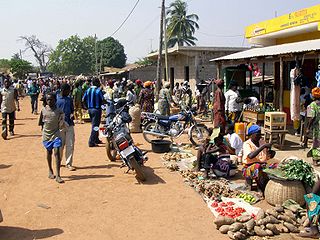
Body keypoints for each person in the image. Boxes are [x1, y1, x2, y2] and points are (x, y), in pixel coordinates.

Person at [38, 92, 65, 183]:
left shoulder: (59, 111)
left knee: (57, 152)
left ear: (55, 100)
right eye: (48, 99)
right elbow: (41, 123)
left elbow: (61, 121)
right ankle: (50, 170)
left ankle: (58, 175)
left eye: (51, 99)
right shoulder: (43, 110)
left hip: (56, 134)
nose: (50, 101)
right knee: (49, 152)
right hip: (46, 134)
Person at [242, 125, 275, 192]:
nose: (259, 136)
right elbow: (251, 156)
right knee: (258, 167)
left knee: (275, 165)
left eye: (260, 134)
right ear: (251, 135)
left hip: (262, 165)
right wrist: (263, 146)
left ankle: (266, 186)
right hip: (249, 167)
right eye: (257, 134)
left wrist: (271, 153)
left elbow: (266, 156)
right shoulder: (247, 144)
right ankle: (260, 187)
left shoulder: (262, 142)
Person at [57, 83, 76, 171]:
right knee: (60, 145)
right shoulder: (56, 99)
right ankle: (58, 161)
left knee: (70, 145)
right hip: (59, 125)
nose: (69, 92)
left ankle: (68, 163)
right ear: (63, 90)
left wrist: (72, 115)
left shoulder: (69, 100)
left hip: (69, 124)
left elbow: (72, 110)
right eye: (68, 91)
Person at [82, 78, 105, 147]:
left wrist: (86, 107)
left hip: (90, 109)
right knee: (95, 126)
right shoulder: (98, 91)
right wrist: (105, 103)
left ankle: (96, 139)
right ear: (97, 83)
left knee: (95, 125)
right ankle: (91, 141)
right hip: (97, 110)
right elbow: (103, 100)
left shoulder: (88, 90)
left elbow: (83, 100)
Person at [307, 87, 320, 166]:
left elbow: (312, 117)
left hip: (317, 128)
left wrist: (308, 127)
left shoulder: (312, 105)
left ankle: (315, 160)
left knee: (315, 143)